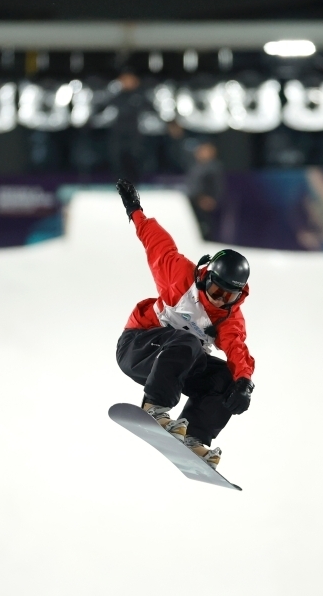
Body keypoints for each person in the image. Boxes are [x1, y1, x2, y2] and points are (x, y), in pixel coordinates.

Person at [114, 179, 255, 469]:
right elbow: (155, 240)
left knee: (224, 378)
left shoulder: (229, 318)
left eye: (228, 297)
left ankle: (195, 436)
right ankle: (154, 407)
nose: (218, 301)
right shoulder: (178, 274)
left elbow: (238, 350)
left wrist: (243, 383)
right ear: (205, 278)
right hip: (138, 348)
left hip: (174, 366)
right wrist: (135, 209)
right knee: (187, 341)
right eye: (216, 291)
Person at [186, 141, 226, 240]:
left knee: (206, 229)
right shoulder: (195, 166)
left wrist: (212, 199)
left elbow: (218, 187)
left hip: (205, 203)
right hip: (193, 202)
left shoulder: (214, 167)